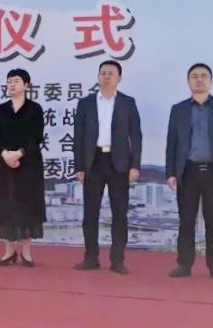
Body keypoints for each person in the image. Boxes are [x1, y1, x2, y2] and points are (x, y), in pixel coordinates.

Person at [165, 63, 213, 281]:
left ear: (210, 81)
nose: (199, 79)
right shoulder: (178, 109)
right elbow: (172, 143)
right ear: (188, 81)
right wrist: (170, 172)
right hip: (187, 171)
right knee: (186, 221)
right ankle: (184, 264)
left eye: (203, 76)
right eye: (194, 76)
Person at [73, 60, 142, 275]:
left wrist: (135, 165)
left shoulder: (128, 103)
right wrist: (79, 165)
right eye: (103, 73)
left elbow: (136, 136)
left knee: (119, 213)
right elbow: (78, 137)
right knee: (90, 213)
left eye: (111, 73)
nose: (106, 76)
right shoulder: (85, 103)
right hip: (93, 162)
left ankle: (117, 260)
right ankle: (90, 258)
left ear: (119, 78)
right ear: (98, 77)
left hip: (119, 163)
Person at [0, 68, 46, 267]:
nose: (12, 85)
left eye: (16, 81)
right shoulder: (1, 109)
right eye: (9, 81)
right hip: (3, 164)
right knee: (5, 205)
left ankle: (26, 253)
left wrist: (19, 153)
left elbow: (36, 136)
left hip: (28, 163)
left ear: (26, 85)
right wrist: (5, 154)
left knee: (27, 205)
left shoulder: (34, 109)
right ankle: (9, 252)